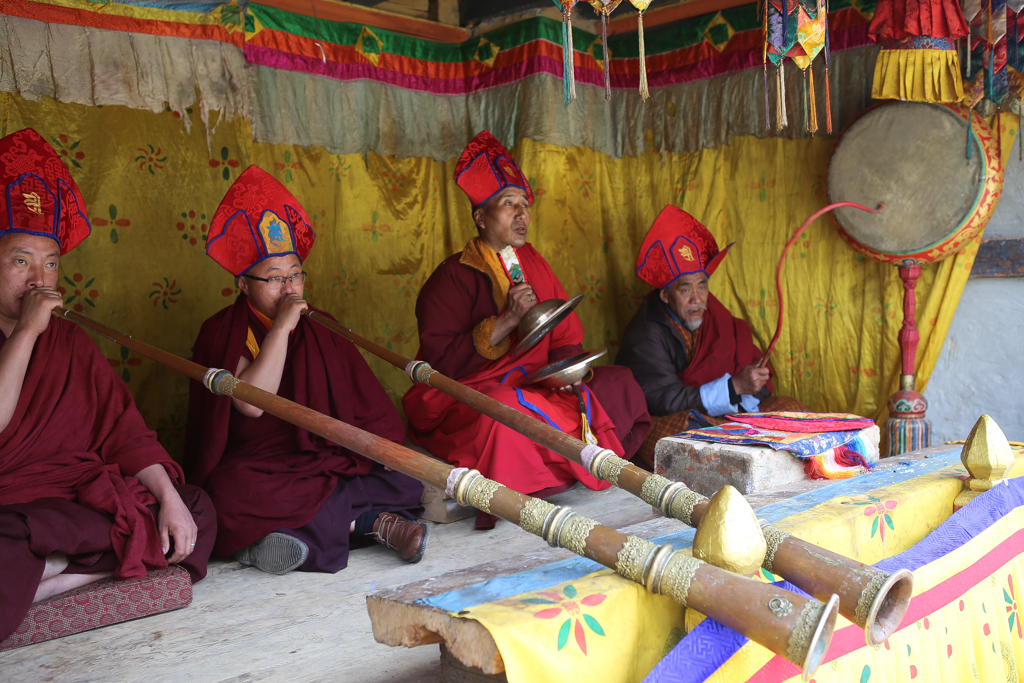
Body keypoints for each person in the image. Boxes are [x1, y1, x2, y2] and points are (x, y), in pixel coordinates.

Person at [0, 128, 215, 642]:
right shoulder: (38, 329)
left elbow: (123, 434)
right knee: (9, 537)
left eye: (51, 262)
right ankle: (63, 567)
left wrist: (169, 497)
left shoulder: (70, 341)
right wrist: (27, 330)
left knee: (196, 509)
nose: (39, 278)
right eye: (20, 261)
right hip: (12, 506)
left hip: (74, 501)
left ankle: (60, 575)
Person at [184, 166, 427, 575]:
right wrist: (281, 327)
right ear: (243, 284)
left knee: (400, 475)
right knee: (228, 493)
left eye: (296, 274)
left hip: (323, 456)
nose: (290, 288)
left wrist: (382, 447)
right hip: (261, 463)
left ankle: (285, 537)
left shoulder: (321, 324)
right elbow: (252, 406)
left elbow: (364, 403)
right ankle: (371, 524)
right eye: (275, 278)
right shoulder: (221, 332)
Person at [403, 131, 651, 528]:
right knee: (504, 408)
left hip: (536, 383)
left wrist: (566, 372)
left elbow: (565, 335)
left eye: (524, 204)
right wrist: (506, 321)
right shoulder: (451, 277)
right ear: (481, 217)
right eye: (508, 204)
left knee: (617, 381)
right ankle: (543, 479)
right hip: (472, 389)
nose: (522, 215)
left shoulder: (532, 260)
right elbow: (440, 361)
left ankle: (570, 465)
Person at [617, 205, 805, 468]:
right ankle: (740, 449)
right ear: (665, 295)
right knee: (671, 440)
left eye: (702, 286)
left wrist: (753, 382)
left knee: (792, 409)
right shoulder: (646, 332)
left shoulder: (713, 313)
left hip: (730, 415)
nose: (697, 299)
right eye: (685, 289)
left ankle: (738, 445)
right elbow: (662, 399)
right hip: (677, 417)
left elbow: (748, 364)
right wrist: (733, 388)